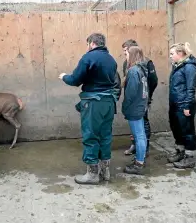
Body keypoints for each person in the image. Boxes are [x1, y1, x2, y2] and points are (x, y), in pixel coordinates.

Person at [59, 33, 121, 185]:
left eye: (87, 44)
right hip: (109, 102)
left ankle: (92, 174)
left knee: (91, 135)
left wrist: (64, 76)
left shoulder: (88, 57)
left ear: (92, 43)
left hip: (93, 102)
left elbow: (75, 80)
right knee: (105, 135)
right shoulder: (111, 59)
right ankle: (105, 171)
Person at [121, 40, 158, 157]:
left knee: (142, 125)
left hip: (140, 99)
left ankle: (143, 150)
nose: (124, 53)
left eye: (126, 51)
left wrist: (147, 96)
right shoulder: (128, 64)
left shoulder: (145, 63)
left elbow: (153, 81)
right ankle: (136, 145)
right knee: (137, 128)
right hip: (136, 100)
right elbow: (126, 80)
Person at [167, 42, 196, 169]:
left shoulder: (189, 67)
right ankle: (180, 151)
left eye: (172, 53)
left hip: (183, 104)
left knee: (187, 130)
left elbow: (191, 89)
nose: (170, 56)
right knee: (176, 128)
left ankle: (189, 157)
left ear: (180, 53)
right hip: (175, 103)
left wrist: (187, 106)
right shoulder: (178, 66)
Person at [122, 46, 149, 175]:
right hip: (140, 106)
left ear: (132, 55)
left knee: (139, 136)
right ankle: (140, 158)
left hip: (135, 108)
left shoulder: (133, 71)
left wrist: (125, 107)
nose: (125, 56)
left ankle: (139, 164)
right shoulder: (142, 69)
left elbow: (130, 93)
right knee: (141, 135)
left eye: (126, 54)